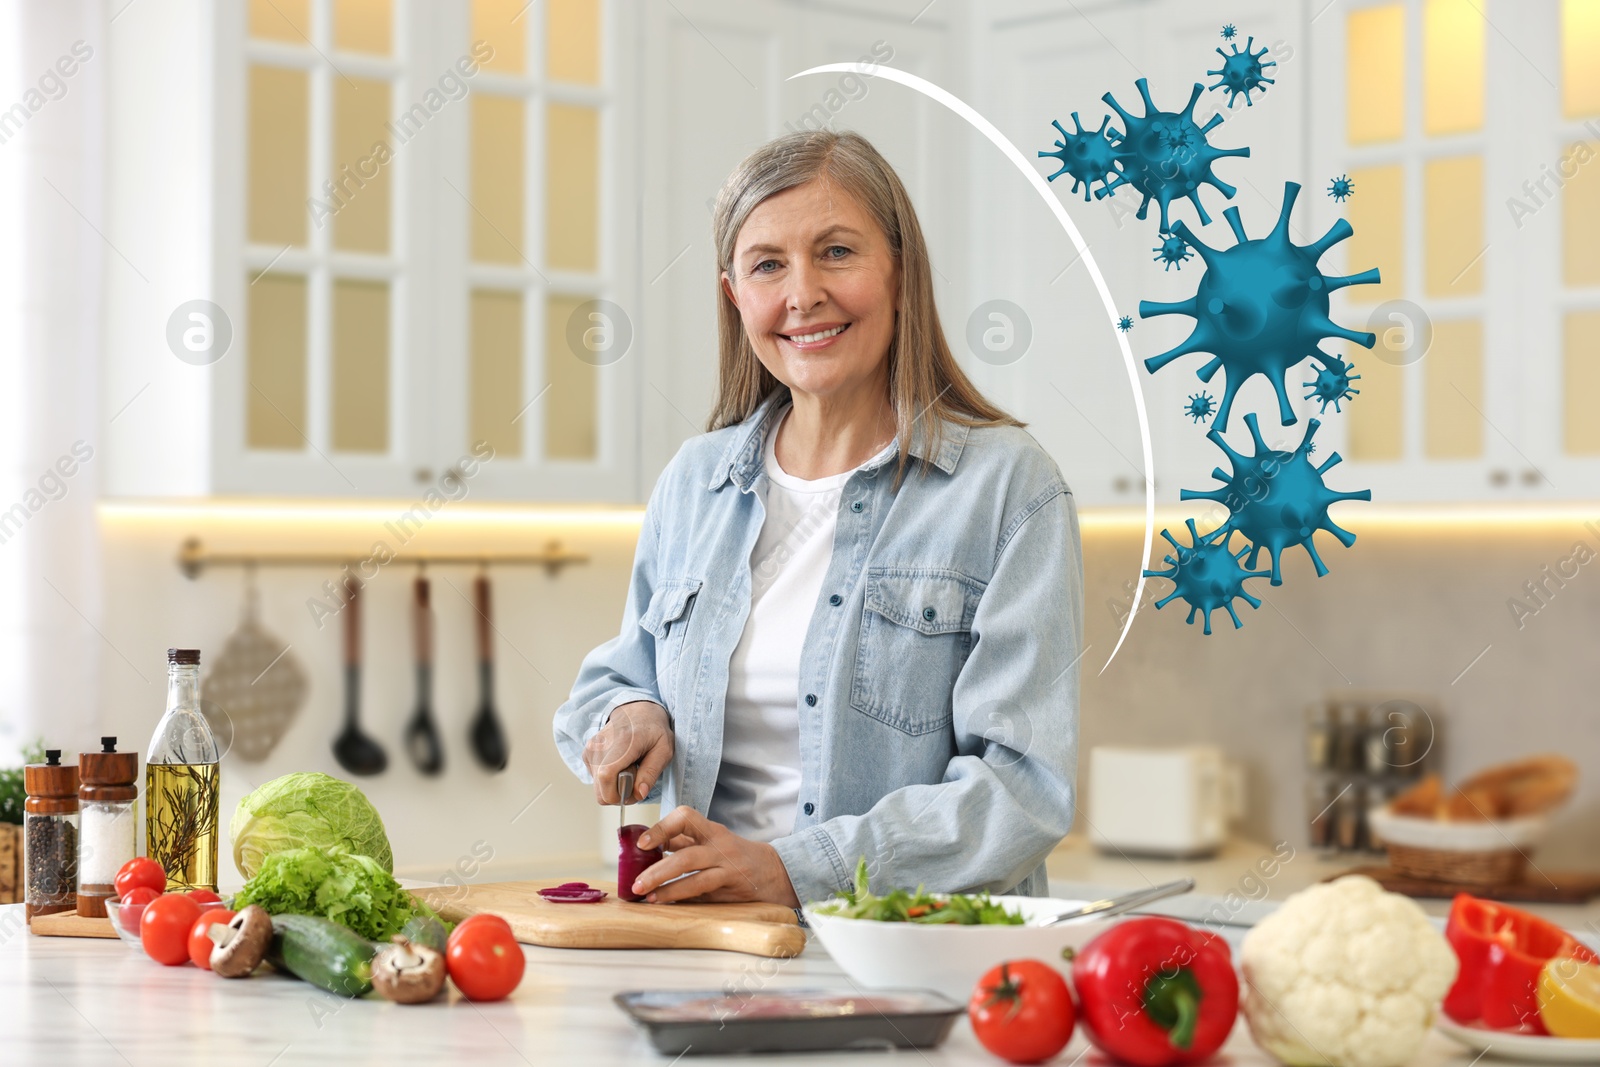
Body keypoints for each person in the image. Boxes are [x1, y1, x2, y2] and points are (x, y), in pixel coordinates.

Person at [552, 129, 1082, 908]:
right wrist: (628, 712)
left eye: (836, 252)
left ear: (900, 275)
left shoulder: (1008, 488)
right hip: (700, 946)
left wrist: (796, 868)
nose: (802, 294)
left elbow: (1021, 787)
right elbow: (618, 676)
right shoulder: (695, 482)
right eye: (768, 264)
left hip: (905, 955)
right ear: (736, 296)